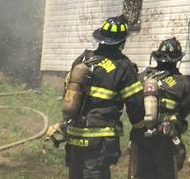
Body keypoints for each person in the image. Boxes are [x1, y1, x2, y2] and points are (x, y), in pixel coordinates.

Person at [60, 15, 145, 179]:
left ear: (100, 38)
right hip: (99, 139)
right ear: (122, 42)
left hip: (76, 135)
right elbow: (135, 102)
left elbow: (68, 92)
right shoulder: (123, 66)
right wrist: (139, 126)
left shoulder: (83, 59)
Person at [129, 37, 190, 179]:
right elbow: (184, 110)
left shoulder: (142, 77)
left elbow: (133, 103)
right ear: (177, 60)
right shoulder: (182, 82)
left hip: (142, 136)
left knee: (143, 174)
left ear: (157, 57)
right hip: (166, 138)